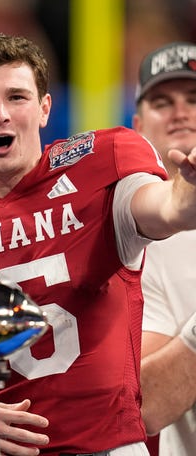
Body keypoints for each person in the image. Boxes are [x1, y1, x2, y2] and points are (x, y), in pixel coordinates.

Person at [0, 33, 196, 455]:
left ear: (45, 108)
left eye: (17, 97)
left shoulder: (100, 165)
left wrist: (188, 194)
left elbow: (168, 208)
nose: (0, 115)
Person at [132, 41, 196, 456]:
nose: (180, 111)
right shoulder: (137, 242)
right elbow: (145, 408)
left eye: (194, 98)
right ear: (138, 124)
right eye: (162, 101)